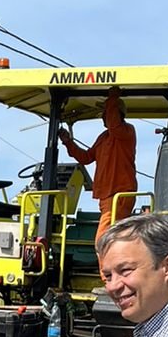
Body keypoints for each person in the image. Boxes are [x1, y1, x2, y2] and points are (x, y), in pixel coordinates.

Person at [61, 90, 138, 238]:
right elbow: (86, 157)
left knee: (104, 238)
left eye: (106, 112)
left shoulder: (127, 131)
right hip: (107, 195)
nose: (103, 115)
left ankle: (104, 260)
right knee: (112, 237)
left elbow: (115, 127)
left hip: (120, 193)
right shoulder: (104, 137)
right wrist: (68, 142)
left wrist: (113, 97)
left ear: (116, 113)